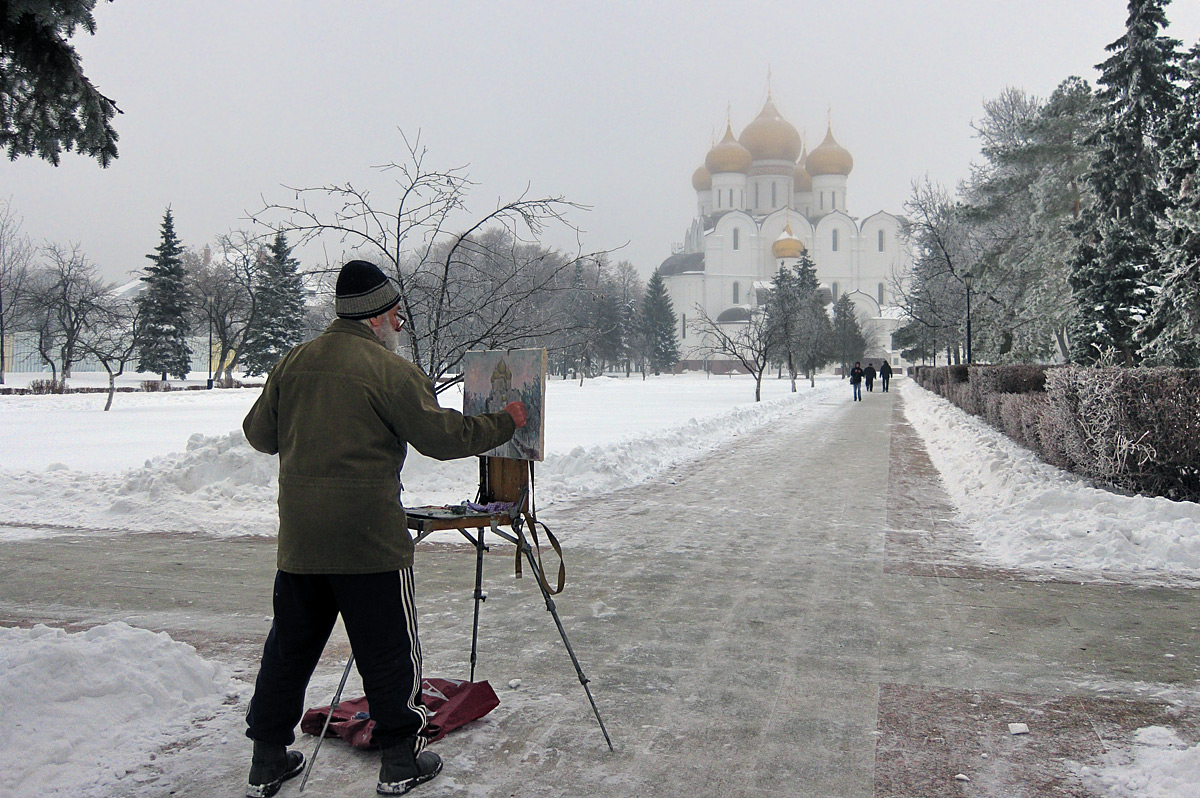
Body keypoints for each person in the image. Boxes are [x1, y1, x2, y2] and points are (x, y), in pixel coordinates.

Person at [240, 259, 526, 798]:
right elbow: (442, 438)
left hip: (301, 541)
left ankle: (266, 760)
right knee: (389, 651)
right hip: (368, 541)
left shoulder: (294, 362)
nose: (400, 325)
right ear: (375, 318)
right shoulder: (389, 371)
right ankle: (400, 761)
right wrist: (505, 422)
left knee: (289, 649)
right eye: (397, 315)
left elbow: (260, 435)